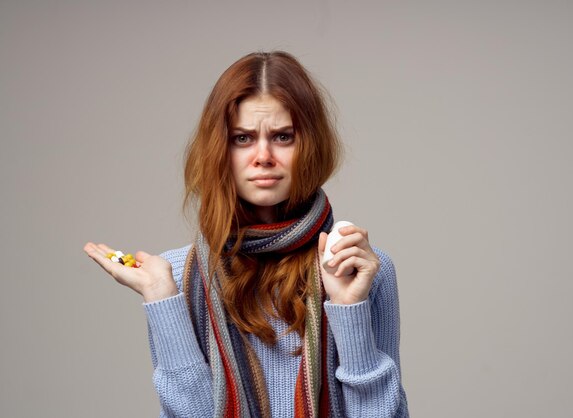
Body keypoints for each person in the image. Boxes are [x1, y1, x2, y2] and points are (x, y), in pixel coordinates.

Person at [84, 51, 409, 417]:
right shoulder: (175, 276)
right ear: (219, 149)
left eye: (283, 136)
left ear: (310, 146)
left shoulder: (360, 267)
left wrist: (349, 309)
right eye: (243, 138)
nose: (263, 156)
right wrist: (162, 298)